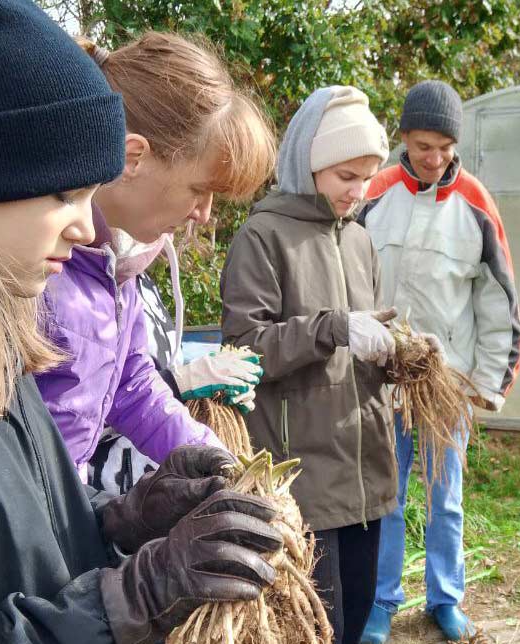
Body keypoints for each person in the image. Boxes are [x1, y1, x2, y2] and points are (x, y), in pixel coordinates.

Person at [0, 2, 281, 642]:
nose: (84, 228)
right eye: (64, 194)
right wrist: (129, 601)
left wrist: (123, 521)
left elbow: (21, 535)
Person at [34, 32, 276, 483]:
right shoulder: (34, 268)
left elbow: (133, 388)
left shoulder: (119, 272)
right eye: (199, 189)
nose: (204, 215)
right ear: (133, 158)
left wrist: (222, 467)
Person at [221, 86, 410, 644]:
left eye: (367, 176)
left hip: (367, 474)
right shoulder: (263, 236)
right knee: (313, 630)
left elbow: (361, 345)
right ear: (309, 165)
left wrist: (398, 353)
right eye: (346, 176)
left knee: (354, 621)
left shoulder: (360, 242)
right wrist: (332, 327)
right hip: (303, 480)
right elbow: (246, 348)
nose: (359, 190)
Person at [357, 80, 520, 642]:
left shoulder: (475, 203)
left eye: (445, 146)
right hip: (383, 379)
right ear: (404, 137)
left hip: (448, 382)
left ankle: (445, 599)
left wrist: (489, 383)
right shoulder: (373, 194)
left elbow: (499, 300)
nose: (434, 158)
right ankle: (381, 601)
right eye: (424, 145)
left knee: (444, 499)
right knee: (387, 496)